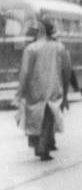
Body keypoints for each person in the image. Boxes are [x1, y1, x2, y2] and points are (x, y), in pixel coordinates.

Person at [16, 19, 71, 161]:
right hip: (53, 88)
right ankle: (43, 148)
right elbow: (66, 71)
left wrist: (20, 92)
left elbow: (25, 72)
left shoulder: (31, 49)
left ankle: (38, 146)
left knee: (33, 118)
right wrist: (65, 94)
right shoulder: (60, 48)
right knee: (48, 119)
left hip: (34, 90)